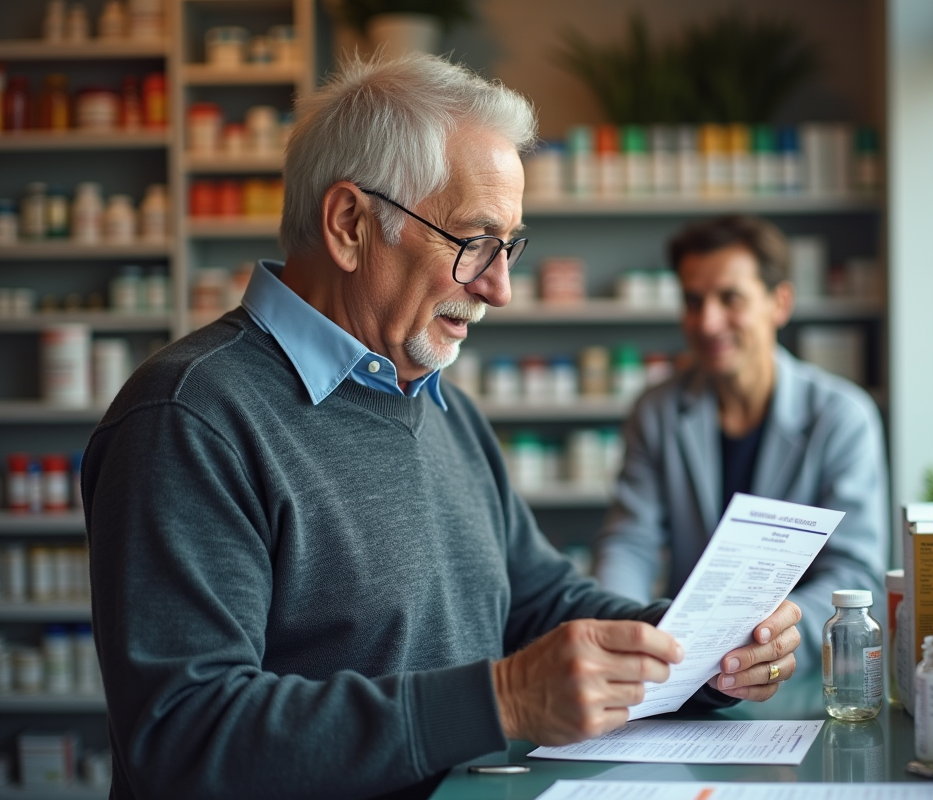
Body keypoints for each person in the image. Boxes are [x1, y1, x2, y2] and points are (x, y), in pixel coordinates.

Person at [80, 57, 803, 800]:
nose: (499, 286)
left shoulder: (435, 403)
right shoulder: (189, 417)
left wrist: (706, 651)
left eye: (510, 245)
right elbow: (185, 734)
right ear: (350, 224)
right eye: (473, 240)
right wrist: (504, 701)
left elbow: (539, 603)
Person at [592, 214, 889, 676]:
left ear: (780, 303)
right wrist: (624, 635)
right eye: (693, 301)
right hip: (686, 670)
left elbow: (853, 573)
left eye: (730, 298)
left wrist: (772, 637)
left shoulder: (842, 417)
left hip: (803, 671)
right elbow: (630, 543)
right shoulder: (657, 411)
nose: (708, 323)